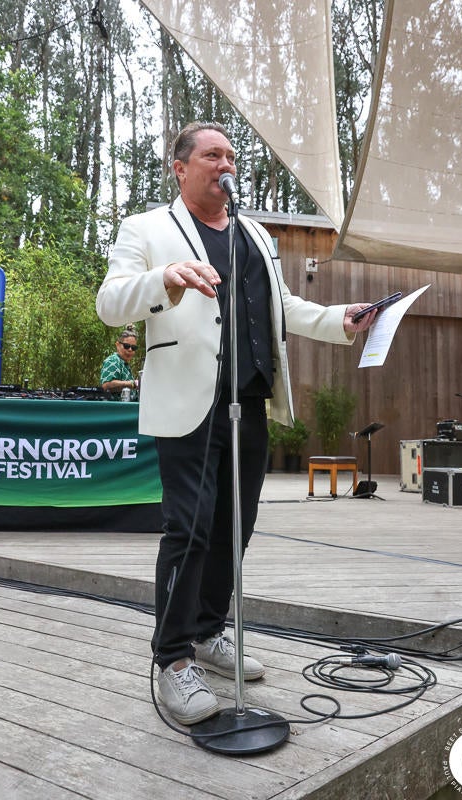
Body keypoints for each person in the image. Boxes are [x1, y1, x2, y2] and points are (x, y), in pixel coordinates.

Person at [96, 121, 377, 726]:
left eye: (231, 155)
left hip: (248, 402)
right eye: (211, 154)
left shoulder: (252, 231)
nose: (225, 163)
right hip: (188, 403)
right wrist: (162, 281)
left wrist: (338, 319)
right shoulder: (146, 228)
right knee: (190, 529)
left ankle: (207, 632)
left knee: (234, 526)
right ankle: (172, 659)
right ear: (181, 167)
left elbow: (281, 305)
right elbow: (109, 301)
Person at [100, 324, 139, 399]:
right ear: (117, 345)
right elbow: (106, 385)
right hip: (114, 409)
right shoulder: (113, 360)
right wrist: (133, 384)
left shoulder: (124, 364)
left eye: (133, 347)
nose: (130, 349)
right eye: (126, 346)